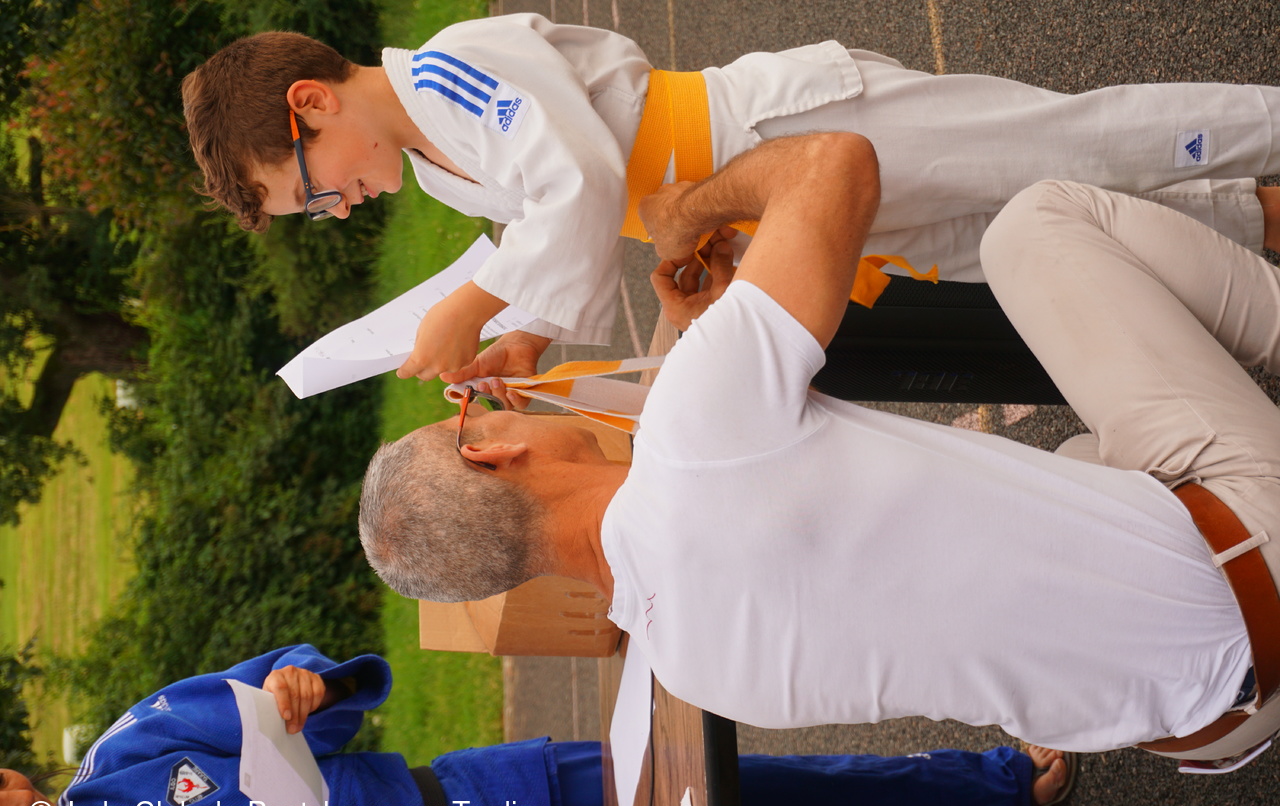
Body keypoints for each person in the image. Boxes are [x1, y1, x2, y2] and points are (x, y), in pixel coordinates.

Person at [359, 130, 1280, 764]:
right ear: (489, 454)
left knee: (1077, 460)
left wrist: (708, 335)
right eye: (468, 414)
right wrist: (688, 211)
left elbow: (745, 506)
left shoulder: (687, 665)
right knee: (1035, 226)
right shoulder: (695, 429)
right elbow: (836, 164)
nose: (484, 407)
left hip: (1203, 729)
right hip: (1256, 569)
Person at [182, 13, 1280, 388]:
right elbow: (548, 224)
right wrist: (523, 335)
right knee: (1022, 232)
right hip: (769, 212)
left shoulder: (449, 69)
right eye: (315, 211)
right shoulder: (433, 163)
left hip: (776, 133)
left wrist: (471, 306)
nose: (338, 207)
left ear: (312, 102)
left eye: (311, 189)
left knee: (1081, 143)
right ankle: (1254, 222)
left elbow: (578, 177)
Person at [0, 645, 1073, 806]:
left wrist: (304, 682)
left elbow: (284, 699)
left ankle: (986, 791)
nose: (10, 794)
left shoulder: (129, 755)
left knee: (744, 795)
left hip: (469, 801)